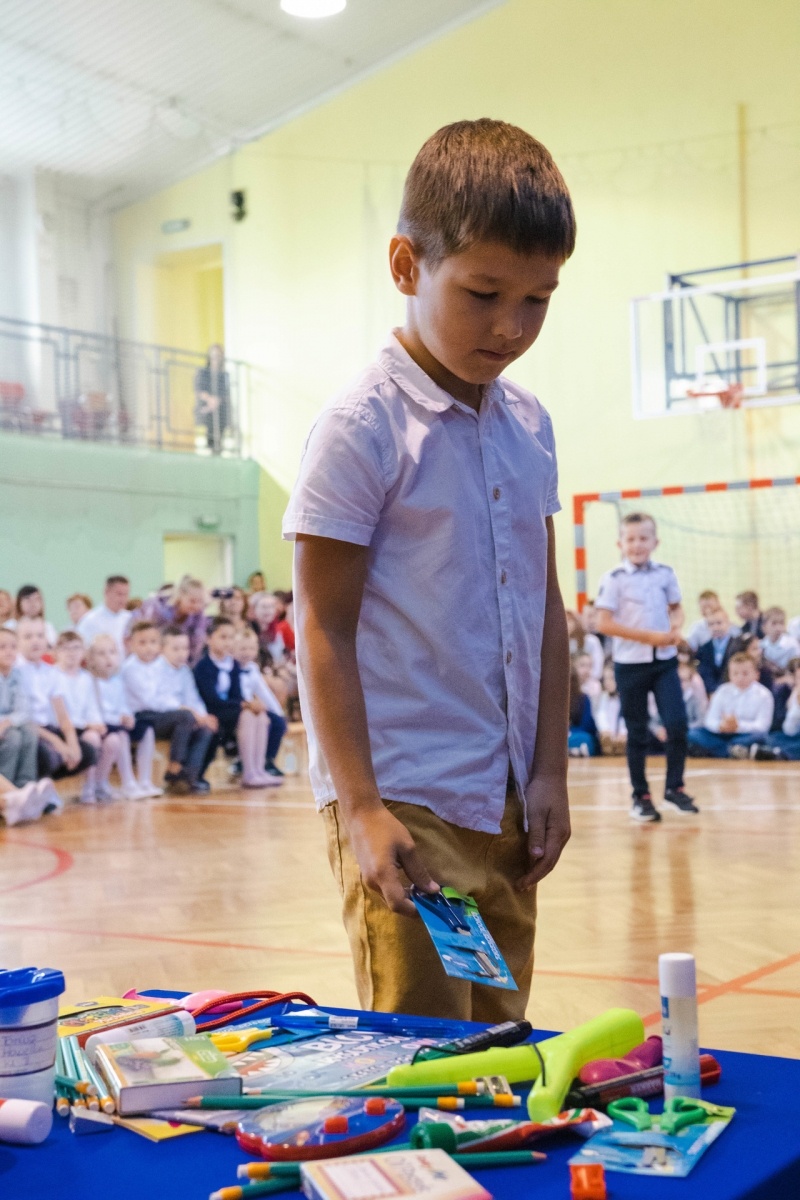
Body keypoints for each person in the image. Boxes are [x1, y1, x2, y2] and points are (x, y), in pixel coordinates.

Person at [284, 118, 574, 1020]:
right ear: (407, 266)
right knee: (419, 1050)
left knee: (497, 1045)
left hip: (506, 805)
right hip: (404, 801)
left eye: (538, 299)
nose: (511, 326)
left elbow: (545, 610)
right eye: (484, 292)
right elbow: (321, 628)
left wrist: (550, 772)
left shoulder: (530, 425)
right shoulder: (361, 428)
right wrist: (362, 806)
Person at [595, 512, 697, 822]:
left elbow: (676, 607)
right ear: (620, 543)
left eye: (643, 538)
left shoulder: (665, 574)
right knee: (637, 732)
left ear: (655, 542)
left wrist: (675, 627)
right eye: (631, 539)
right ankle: (641, 796)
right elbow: (603, 622)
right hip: (630, 666)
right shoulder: (614, 579)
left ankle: (674, 788)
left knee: (677, 723)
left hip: (664, 664)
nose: (637, 544)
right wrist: (648, 637)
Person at [122, 621, 212, 794]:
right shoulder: (131, 668)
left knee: (204, 728)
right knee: (185, 716)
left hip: (163, 716)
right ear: (130, 644)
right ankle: (175, 765)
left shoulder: (162, 667)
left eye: (152, 642)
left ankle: (188, 777)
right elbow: (151, 700)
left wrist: (202, 715)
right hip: (142, 716)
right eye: (142, 643)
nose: (149, 648)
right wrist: (189, 710)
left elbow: (192, 696)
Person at [16, 619, 95, 799]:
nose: (35, 641)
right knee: (46, 753)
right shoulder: (16, 672)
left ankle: (47, 785)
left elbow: (62, 715)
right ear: (18, 642)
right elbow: (23, 719)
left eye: (40, 635)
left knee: (87, 752)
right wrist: (58, 743)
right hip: (28, 731)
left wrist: (72, 743)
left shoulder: (50, 672)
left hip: (49, 728)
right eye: (28, 637)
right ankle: (39, 791)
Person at [85, 634, 152, 800]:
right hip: (103, 724)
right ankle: (127, 781)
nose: (108, 658)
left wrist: (127, 716)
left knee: (146, 730)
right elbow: (96, 710)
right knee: (120, 736)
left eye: (112, 652)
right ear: (91, 659)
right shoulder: (90, 681)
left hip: (116, 721)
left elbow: (124, 704)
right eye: (101, 654)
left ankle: (144, 780)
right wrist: (119, 719)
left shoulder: (117, 680)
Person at [52, 631, 109, 804]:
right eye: (66, 648)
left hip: (83, 726)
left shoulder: (86, 678)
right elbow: (56, 711)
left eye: (76, 648)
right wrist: (87, 723)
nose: (71, 653)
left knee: (94, 737)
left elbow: (92, 706)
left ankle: (90, 786)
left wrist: (96, 723)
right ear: (56, 652)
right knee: (89, 736)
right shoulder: (52, 676)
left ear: (83, 652)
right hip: (60, 727)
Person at [687, 652, 774, 758]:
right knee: (693, 734)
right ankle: (732, 751)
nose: (740, 677)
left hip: (745, 735)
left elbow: (762, 726)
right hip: (721, 734)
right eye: (735, 673)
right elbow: (710, 720)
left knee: (761, 737)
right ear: (729, 674)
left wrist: (738, 726)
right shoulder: (722, 690)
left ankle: (721, 751)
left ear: (756, 674)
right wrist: (721, 726)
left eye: (745, 673)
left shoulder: (764, 695)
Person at [233, 627, 285, 787]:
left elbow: (263, 692)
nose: (246, 652)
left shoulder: (253, 668)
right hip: (240, 707)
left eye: (251, 648)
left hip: (253, 707)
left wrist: (278, 712)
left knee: (277, 722)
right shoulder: (232, 668)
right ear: (233, 649)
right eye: (242, 648)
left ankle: (263, 764)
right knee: (257, 718)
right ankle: (248, 768)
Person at [193, 617, 244, 772]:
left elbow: (237, 694)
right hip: (211, 710)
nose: (227, 642)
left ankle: (253, 767)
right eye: (223, 637)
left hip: (228, 710)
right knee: (241, 715)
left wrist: (243, 704)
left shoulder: (233, 664)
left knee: (263, 717)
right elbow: (211, 699)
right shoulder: (203, 667)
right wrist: (242, 705)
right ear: (208, 639)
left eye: (231, 637)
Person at [135, 578, 209, 667]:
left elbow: (196, 644)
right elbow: (146, 635)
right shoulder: (158, 609)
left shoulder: (198, 615)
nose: (196, 605)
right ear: (181, 595)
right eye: (192, 601)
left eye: (200, 601)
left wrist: (186, 664)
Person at [0, 628, 39, 790]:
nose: (9, 652)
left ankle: (26, 785)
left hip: (6, 724)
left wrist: (7, 722)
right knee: (13, 737)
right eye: (2, 647)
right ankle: (6, 790)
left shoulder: (18, 675)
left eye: (13, 647)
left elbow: (24, 710)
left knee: (30, 731)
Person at [754, 657, 800, 761]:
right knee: (772, 737)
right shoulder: (792, 695)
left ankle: (779, 753)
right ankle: (780, 752)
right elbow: (789, 730)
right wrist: (797, 706)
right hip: (794, 737)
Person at [77, 576, 132, 657]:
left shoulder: (130, 618)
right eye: (119, 594)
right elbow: (83, 650)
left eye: (126, 594)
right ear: (106, 592)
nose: (123, 599)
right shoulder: (90, 620)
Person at [194, 343, 231, 453]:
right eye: (213, 355)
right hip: (207, 411)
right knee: (209, 436)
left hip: (220, 413)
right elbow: (199, 388)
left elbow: (225, 393)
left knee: (219, 438)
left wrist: (216, 401)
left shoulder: (224, 375)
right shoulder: (203, 372)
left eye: (218, 355)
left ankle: (217, 451)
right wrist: (210, 400)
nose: (216, 358)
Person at [696, 607, 737, 695]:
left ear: (728, 623)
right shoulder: (704, 648)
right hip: (711, 692)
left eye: (719, 623)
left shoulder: (737, 645)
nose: (715, 627)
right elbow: (705, 671)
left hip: (732, 689)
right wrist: (712, 690)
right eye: (711, 624)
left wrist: (721, 690)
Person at [595, 661, 626, 756]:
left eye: (612, 678)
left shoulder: (625, 698)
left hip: (621, 735)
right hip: (607, 733)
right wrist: (605, 730)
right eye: (606, 679)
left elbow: (625, 717)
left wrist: (623, 733)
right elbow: (600, 715)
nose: (608, 682)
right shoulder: (603, 697)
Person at [568, 662, 598, 756]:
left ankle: (573, 750)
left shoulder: (583, 698)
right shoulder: (553, 699)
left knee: (585, 739)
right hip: (559, 737)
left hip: (577, 734)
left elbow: (587, 725)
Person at [760, 607, 800, 677]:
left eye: (781, 623)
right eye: (774, 623)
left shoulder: (792, 645)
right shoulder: (761, 645)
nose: (778, 628)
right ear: (764, 627)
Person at [566, 609, 603, 679]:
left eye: (569, 620)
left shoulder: (591, 640)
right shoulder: (557, 645)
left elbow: (598, 667)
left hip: (589, 681)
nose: (566, 624)